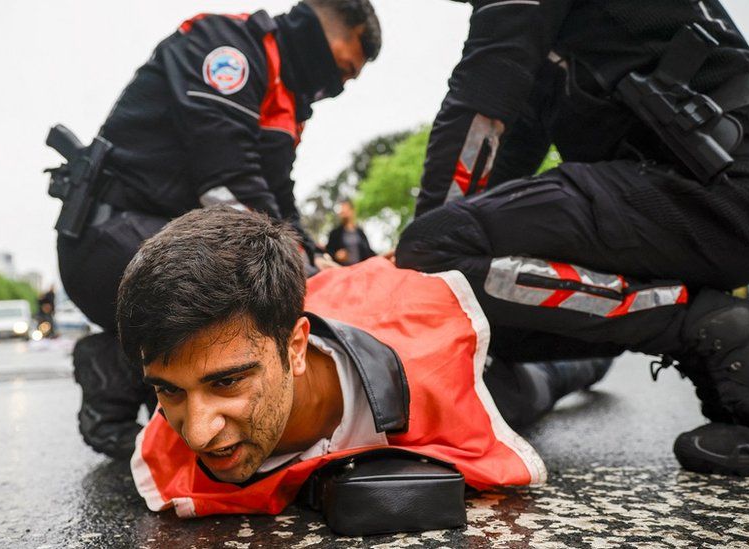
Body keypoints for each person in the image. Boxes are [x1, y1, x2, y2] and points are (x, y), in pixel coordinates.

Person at [396, 0, 749, 476]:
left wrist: (414, 275)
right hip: (708, 192)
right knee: (482, 308)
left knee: (434, 260)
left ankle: (723, 332)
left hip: (723, 183)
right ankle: (738, 360)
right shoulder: (553, 42)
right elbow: (508, 153)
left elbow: (481, 98)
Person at [118, 207, 608, 517]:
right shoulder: (164, 463)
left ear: (294, 347)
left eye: (227, 382)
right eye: (169, 390)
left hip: (453, 371)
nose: (198, 434)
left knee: (551, 379)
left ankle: (603, 357)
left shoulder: (405, 321)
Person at [56, 0, 382, 460]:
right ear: (326, 30)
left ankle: (122, 360)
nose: (340, 86)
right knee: (253, 294)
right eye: (345, 70)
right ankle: (116, 377)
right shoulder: (224, 49)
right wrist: (296, 267)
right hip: (111, 237)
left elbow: (276, 197)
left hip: (170, 237)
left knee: (287, 285)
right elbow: (226, 185)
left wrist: (314, 256)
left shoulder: (285, 98)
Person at [325, 200, 375, 266]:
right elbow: (329, 251)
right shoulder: (335, 233)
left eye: (346, 210)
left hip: (360, 269)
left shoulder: (360, 233)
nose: (344, 213)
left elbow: (368, 252)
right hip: (342, 270)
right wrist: (336, 255)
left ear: (352, 211)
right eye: (342, 211)